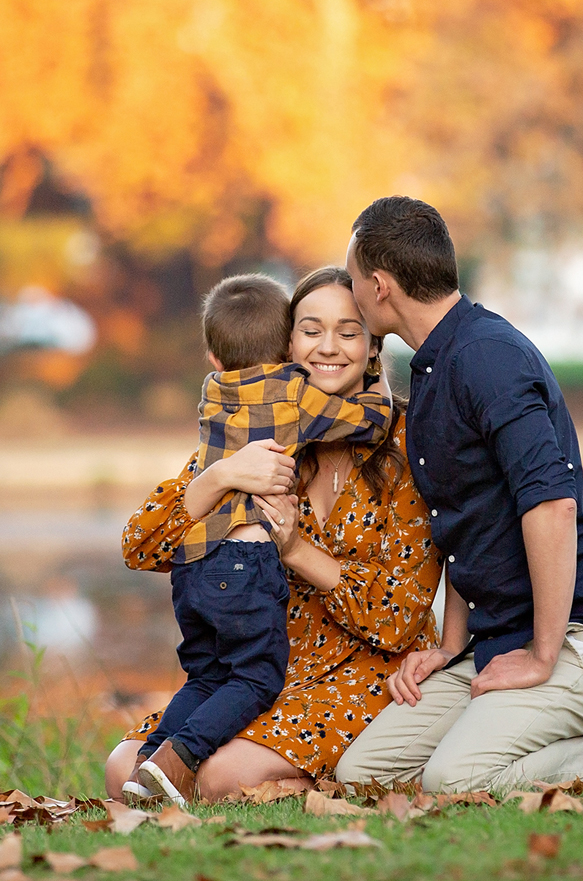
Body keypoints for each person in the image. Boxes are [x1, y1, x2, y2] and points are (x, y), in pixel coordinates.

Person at [335, 196, 583, 793]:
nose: (353, 293)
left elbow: (552, 504)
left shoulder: (488, 357)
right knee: (364, 773)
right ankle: (574, 724)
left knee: (454, 781)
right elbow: (463, 525)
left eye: (355, 279)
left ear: (381, 285)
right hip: (498, 639)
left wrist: (544, 654)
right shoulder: (434, 367)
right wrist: (449, 646)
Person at [106, 267, 442, 802]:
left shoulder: (408, 443)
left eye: (349, 332)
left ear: (374, 343)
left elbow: (397, 620)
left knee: (218, 778)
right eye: (311, 330)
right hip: (269, 664)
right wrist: (221, 476)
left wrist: (296, 550)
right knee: (121, 767)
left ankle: (335, 785)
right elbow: (139, 544)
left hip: (366, 671)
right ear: (287, 343)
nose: (328, 347)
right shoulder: (264, 431)